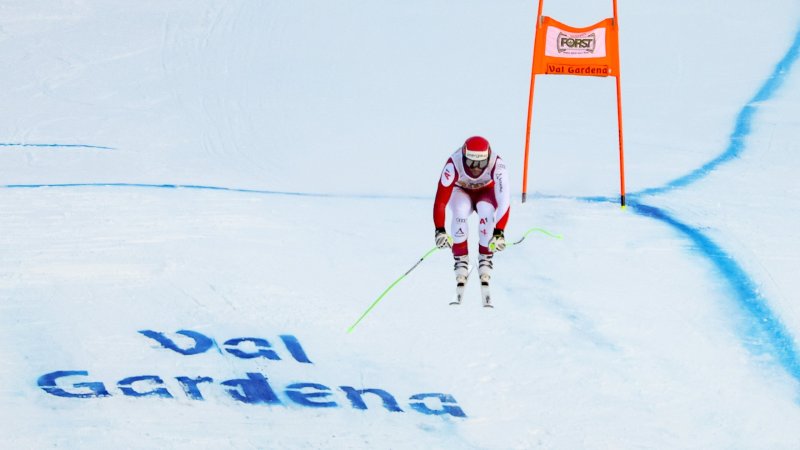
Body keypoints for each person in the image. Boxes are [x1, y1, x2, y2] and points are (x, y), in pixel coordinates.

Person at [433, 136, 510, 305]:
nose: (475, 169)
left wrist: (499, 232)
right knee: (459, 210)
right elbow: (440, 201)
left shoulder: (498, 165)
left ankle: (485, 257)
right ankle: (461, 259)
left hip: (486, 193)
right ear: (464, 156)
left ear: (488, 158)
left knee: (486, 211)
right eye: (471, 163)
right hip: (461, 191)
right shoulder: (453, 164)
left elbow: (504, 199)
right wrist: (440, 230)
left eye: (481, 164)